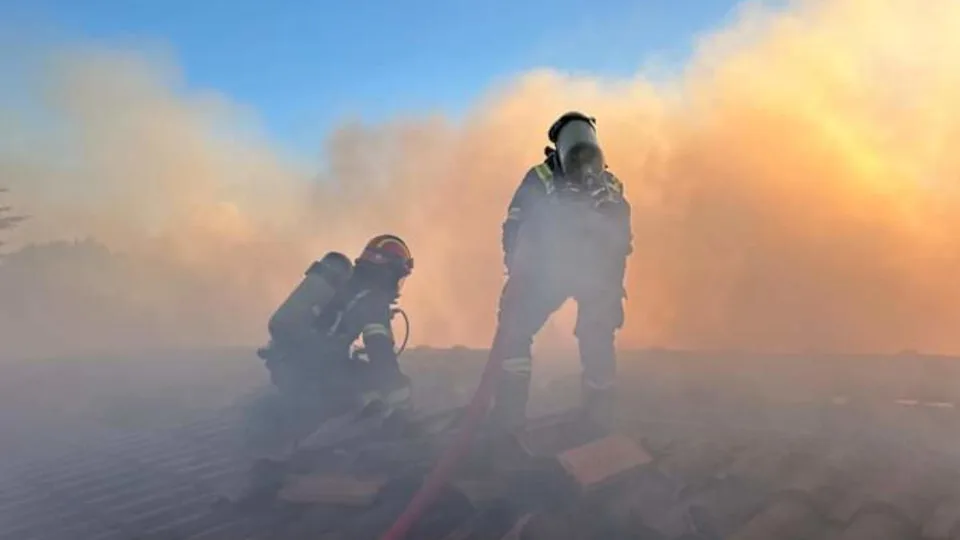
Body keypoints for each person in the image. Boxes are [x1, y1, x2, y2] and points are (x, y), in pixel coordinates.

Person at [492, 111, 633, 433]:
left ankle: (593, 418)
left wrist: (612, 287)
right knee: (519, 330)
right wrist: (517, 265)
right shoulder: (546, 177)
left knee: (591, 334)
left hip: (579, 271)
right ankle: (513, 418)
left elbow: (622, 239)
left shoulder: (606, 184)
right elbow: (516, 221)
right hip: (555, 268)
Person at [262, 234, 415, 418]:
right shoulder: (373, 298)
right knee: (374, 382)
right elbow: (379, 349)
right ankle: (363, 423)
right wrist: (397, 387)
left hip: (287, 364)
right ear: (390, 272)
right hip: (317, 374)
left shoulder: (348, 284)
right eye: (399, 277)